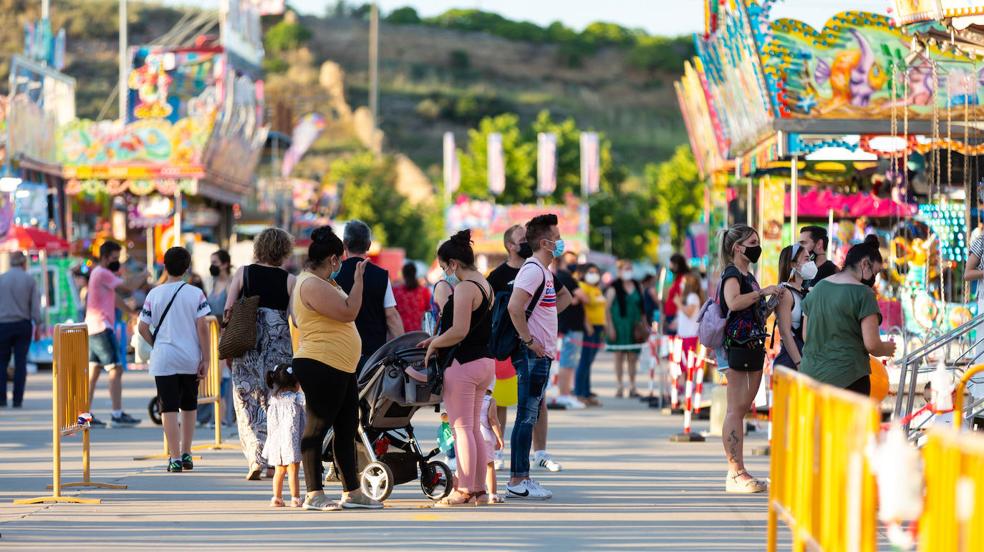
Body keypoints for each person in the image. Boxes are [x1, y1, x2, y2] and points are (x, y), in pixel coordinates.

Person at [291, 225, 382, 511]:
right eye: (339, 259)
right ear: (333, 259)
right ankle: (314, 493)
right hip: (320, 363)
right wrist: (358, 280)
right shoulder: (311, 284)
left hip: (340, 365)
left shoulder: (326, 283)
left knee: (346, 428)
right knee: (317, 428)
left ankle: (352, 491)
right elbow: (349, 311)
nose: (341, 264)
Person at [417, 229, 495, 506]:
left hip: (463, 365)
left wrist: (434, 344)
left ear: (453, 263)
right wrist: (437, 340)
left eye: (443, 267)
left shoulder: (464, 288)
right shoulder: (485, 285)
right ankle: (478, 488)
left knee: (462, 429)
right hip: (485, 362)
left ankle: (463, 489)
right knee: (473, 428)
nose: (443, 273)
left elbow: (459, 330)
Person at [487, 224, 568, 474]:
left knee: (536, 401)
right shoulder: (498, 275)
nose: (526, 242)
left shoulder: (539, 270)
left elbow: (565, 297)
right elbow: (495, 308)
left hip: (531, 345)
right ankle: (498, 452)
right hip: (508, 346)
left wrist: (541, 314)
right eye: (521, 239)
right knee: (500, 400)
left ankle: (540, 453)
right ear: (510, 246)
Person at [505, 214, 571, 499]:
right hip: (532, 355)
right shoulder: (533, 270)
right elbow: (514, 307)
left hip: (539, 355)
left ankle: (522, 477)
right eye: (556, 237)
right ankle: (518, 479)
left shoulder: (542, 271)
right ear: (544, 242)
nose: (560, 241)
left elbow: (540, 307)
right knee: (526, 416)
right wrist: (529, 340)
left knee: (528, 416)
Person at [224, 228, 296, 480]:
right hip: (278, 346)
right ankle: (276, 460)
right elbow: (295, 319)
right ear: (284, 251)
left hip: (248, 343)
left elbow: (228, 309)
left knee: (247, 400)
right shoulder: (289, 280)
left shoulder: (244, 273)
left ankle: (256, 458)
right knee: (276, 400)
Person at [718, 224, 783, 493]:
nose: (757, 246)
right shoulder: (733, 274)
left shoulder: (748, 274)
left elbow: (754, 311)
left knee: (742, 408)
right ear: (738, 247)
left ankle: (740, 469)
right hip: (738, 347)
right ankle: (735, 471)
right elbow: (733, 303)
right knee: (735, 409)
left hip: (752, 344)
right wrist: (762, 292)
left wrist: (771, 302)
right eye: (753, 242)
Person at [137, 247, 211, 473]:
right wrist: (206, 359)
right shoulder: (195, 293)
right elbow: (203, 327)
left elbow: (142, 327)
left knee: (168, 408)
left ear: (164, 266)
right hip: (189, 358)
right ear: (187, 268)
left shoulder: (154, 294)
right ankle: (188, 453)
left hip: (163, 359)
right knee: (189, 405)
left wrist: (156, 344)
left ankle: (175, 457)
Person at [801, 235, 896, 395]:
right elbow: (872, 344)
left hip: (811, 378)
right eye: (876, 272)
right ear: (865, 264)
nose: (875, 278)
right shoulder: (864, 293)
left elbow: (806, 335)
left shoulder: (818, 288)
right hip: (848, 380)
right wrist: (887, 348)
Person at [86, 241, 146, 427]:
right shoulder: (102, 272)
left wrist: (131, 311)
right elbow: (127, 287)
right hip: (102, 327)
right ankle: (117, 414)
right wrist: (144, 275)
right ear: (104, 257)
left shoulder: (101, 274)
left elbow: (115, 297)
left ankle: (83, 416)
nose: (116, 262)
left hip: (93, 327)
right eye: (114, 258)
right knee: (116, 368)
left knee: (94, 372)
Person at [335, 220, 404, 371]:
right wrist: (404, 350)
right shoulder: (381, 275)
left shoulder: (333, 276)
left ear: (344, 244)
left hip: (340, 353)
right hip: (373, 356)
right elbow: (391, 315)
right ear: (368, 245)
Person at [0, 251, 43, 408]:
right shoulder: (29, 280)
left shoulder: (2, 279)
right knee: (20, 363)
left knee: (1, 363)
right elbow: (35, 306)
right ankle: (17, 400)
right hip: (22, 325)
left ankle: (1, 398)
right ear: (23, 263)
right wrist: (38, 325)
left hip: (3, 325)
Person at [262, 364, 305, 508]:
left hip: (276, 441)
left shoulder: (272, 400)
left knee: (279, 471)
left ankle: (277, 497)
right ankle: (295, 498)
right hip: (291, 440)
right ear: (295, 383)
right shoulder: (297, 398)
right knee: (293, 471)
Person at [199, 249, 234, 427]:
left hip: (224, 334)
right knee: (215, 376)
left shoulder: (231, 283)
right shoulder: (212, 283)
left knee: (223, 376)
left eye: (215, 262)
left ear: (225, 264)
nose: (212, 266)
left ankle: (224, 417)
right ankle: (216, 416)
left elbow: (232, 310)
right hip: (212, 334)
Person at [606, 260, 646, 398]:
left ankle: (633, 386)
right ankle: (619, 386)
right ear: (619, 271)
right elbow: (607, 309)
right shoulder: (613, 287)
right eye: (625, 268)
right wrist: (610, 327)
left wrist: (644, 325)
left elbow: (642, 308)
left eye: (630, 268)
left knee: (633, 357)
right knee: (619, 356)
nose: (628, 271)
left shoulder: (637, 285)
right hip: (619, 325)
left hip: (634, 325)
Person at [554, 251, 587, 410]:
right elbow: (584, 297)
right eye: (571, 261)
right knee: (567, 362)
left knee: (570, 362)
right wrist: (577, 298)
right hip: (570, 327)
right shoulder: (566, 278)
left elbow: (578, 298)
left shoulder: (565, 277)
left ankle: (566, 393)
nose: (574, 264)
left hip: (571, 326)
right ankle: (564, 395)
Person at [773, 245, 812, 371]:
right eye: (806, 259)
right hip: (791, 361)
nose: (811, 263)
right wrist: (799, 364)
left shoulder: (805, 291)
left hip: (804, 358)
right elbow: (785, 332)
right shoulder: (785, 293)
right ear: (793, 265)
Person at [575, 263, 606, 406]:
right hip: (590, 327)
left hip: (599, 326)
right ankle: (580, 393)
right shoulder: (582, 287)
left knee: (589, 362)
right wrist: (587, 325)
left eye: (596, 272)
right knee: (585, 361)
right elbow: (582, 309)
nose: (594, 275)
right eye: (590, 272)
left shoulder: (596, 288)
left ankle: (587, 393)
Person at [481, 383, 506, 504]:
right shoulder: (490, 400)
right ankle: (492, 495)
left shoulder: (468, 397)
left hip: (469, 436)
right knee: (489, 466)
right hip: (485, 438)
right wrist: (500, 436)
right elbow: (493, 419)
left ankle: (468, 491)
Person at [674, 271, 705, 367]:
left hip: (690, 335)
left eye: (683, 282)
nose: (681, 284)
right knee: (682, 365)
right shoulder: (688, 298)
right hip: (684, 335)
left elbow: (689, 312)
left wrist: (678, 303)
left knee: (689, 365)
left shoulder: (693, 297)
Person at [393, 262, 431, 332]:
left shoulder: (396, 291)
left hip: (401, 332)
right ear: (415, 273)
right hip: (418, 332)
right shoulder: (423, 291)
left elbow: (392, 312)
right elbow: (429, 309)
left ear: (403, 275)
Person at [662, 254, 689, 336]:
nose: (670, 267)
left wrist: (677, 318)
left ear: (677, 264)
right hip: (671, 315)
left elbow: (682, 299)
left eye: (671, 264)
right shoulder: (677, 278)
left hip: (675, 316)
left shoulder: (684, 278)